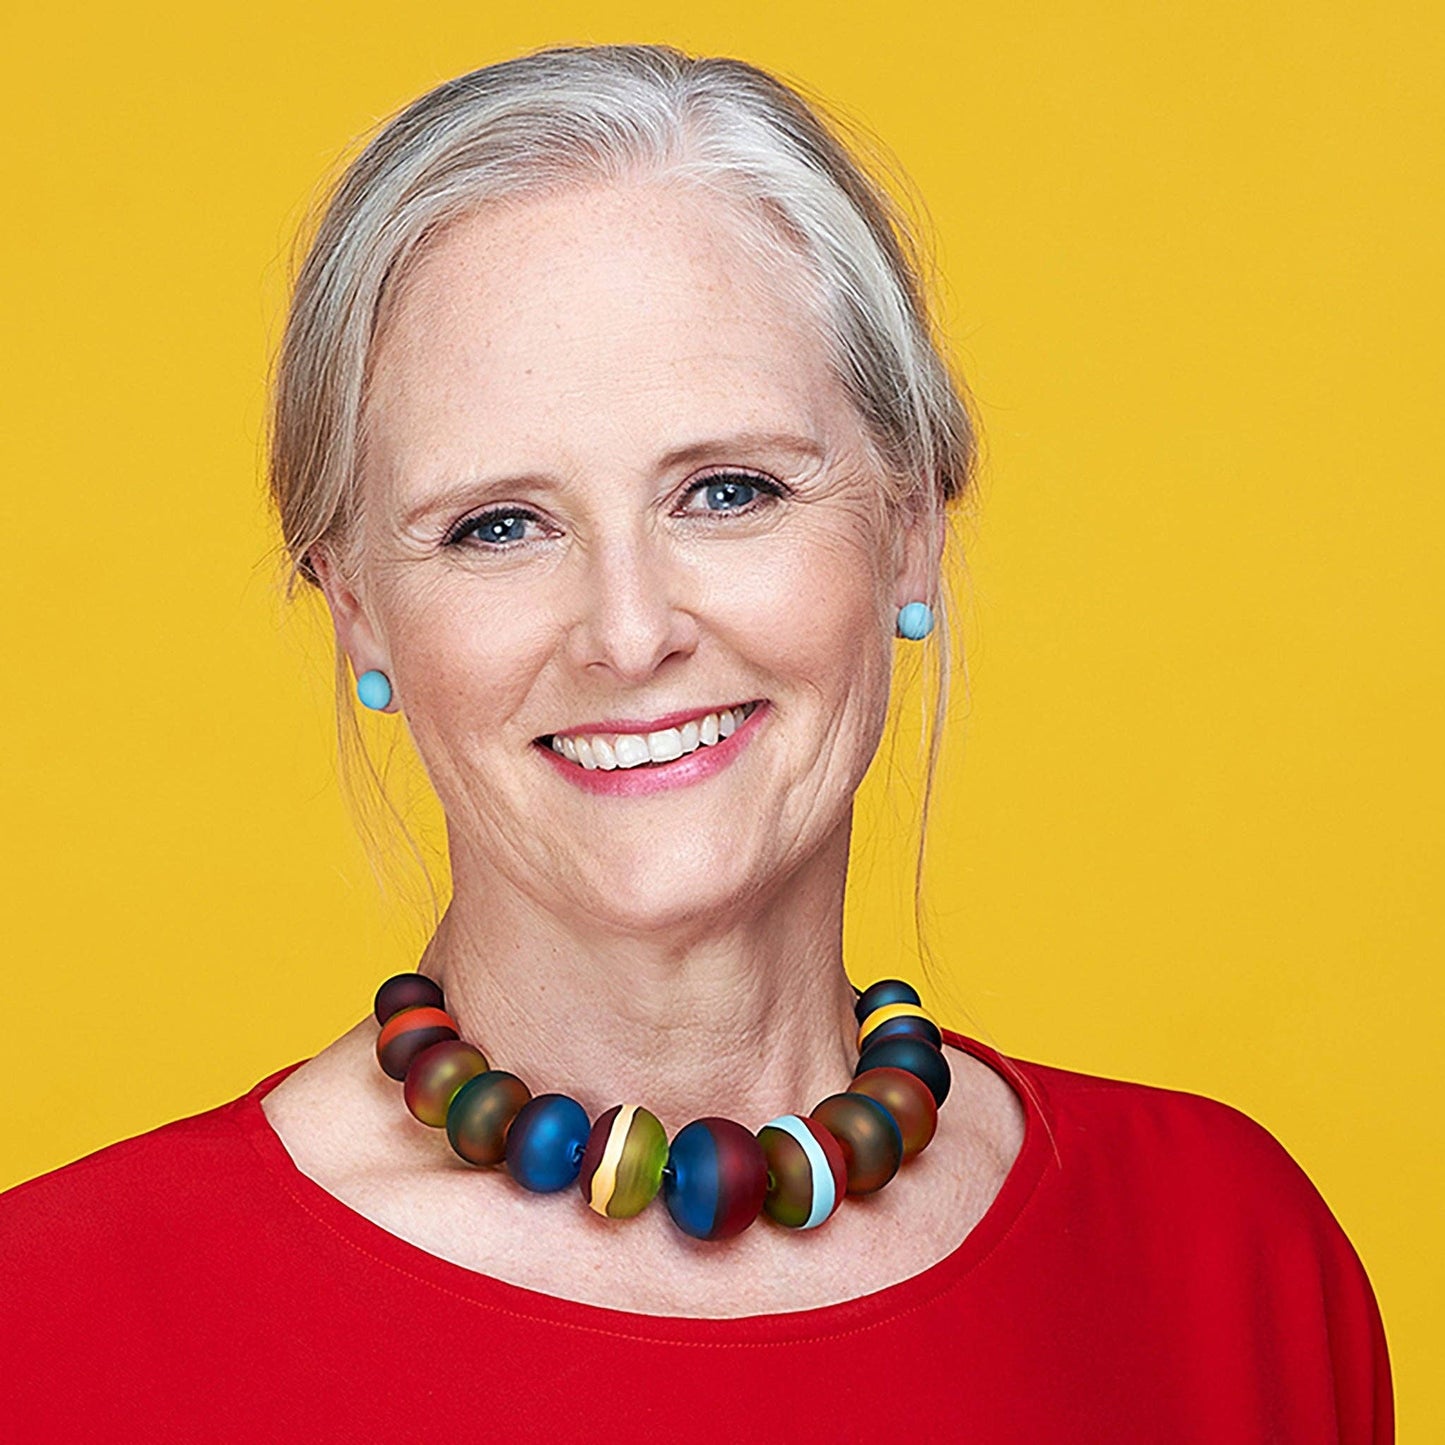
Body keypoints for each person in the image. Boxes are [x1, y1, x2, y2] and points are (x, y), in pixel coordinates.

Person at [0, 44, 1390, 1441]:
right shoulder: (53, 1323)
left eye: (727, 489)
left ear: (908, 531)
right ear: (359, 612)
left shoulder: (1226, 1260)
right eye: (498, 524)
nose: (626, 628)